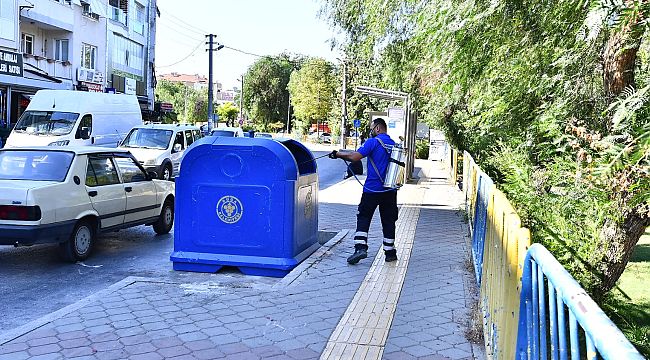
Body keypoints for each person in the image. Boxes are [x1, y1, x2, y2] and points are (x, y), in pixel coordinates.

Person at [328, 117, 398, 264]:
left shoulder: (373, 142)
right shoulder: (394, 144)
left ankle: (360, 248)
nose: (371, 131)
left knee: (364, 216)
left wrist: (338, 154)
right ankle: (390, 252)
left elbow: (355, 157)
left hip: (372, 190)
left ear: (377, 128)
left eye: (372, 128)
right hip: (390, 190)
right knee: (389, 220)